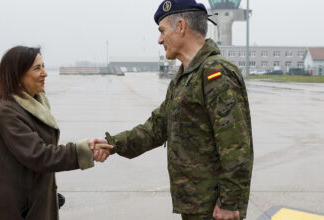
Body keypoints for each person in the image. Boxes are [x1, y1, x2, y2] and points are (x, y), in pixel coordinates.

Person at [90, 0, 253, 219]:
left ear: (181, 27)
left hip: (215, 209)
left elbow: (236, 146)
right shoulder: (184, 78)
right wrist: (112, 144)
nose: (159, 39)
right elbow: (155, 128)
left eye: (162, 31)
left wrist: (230, 202)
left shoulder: (215, 73)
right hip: (194, 205)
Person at [0, 46, 112, 220]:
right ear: (18, 74)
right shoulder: (8, 112)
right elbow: (40, 155)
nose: (45, 73)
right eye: (37, 68)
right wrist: (85, 150)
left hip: (35, 202)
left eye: (43, 66)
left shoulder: (32, 105)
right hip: (19, 209)